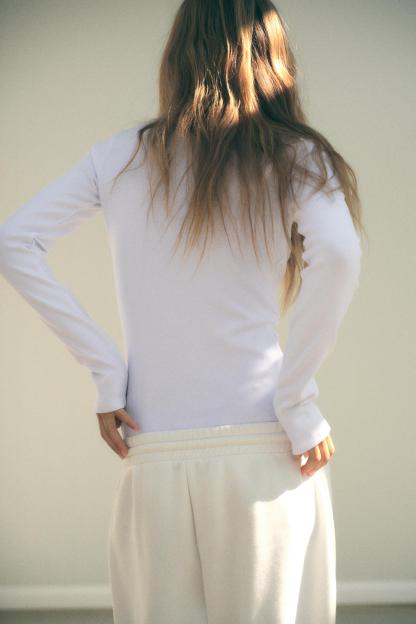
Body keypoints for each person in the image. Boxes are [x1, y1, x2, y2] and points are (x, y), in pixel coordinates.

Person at [0, 1, 365, 622]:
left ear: (176, 56)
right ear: (272, 58)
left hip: (154, 458)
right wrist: (297, 396)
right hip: (267, 452)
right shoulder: (296, 156)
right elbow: (338, 252)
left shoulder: (118, 157)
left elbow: (16, 242)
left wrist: (107, 372)